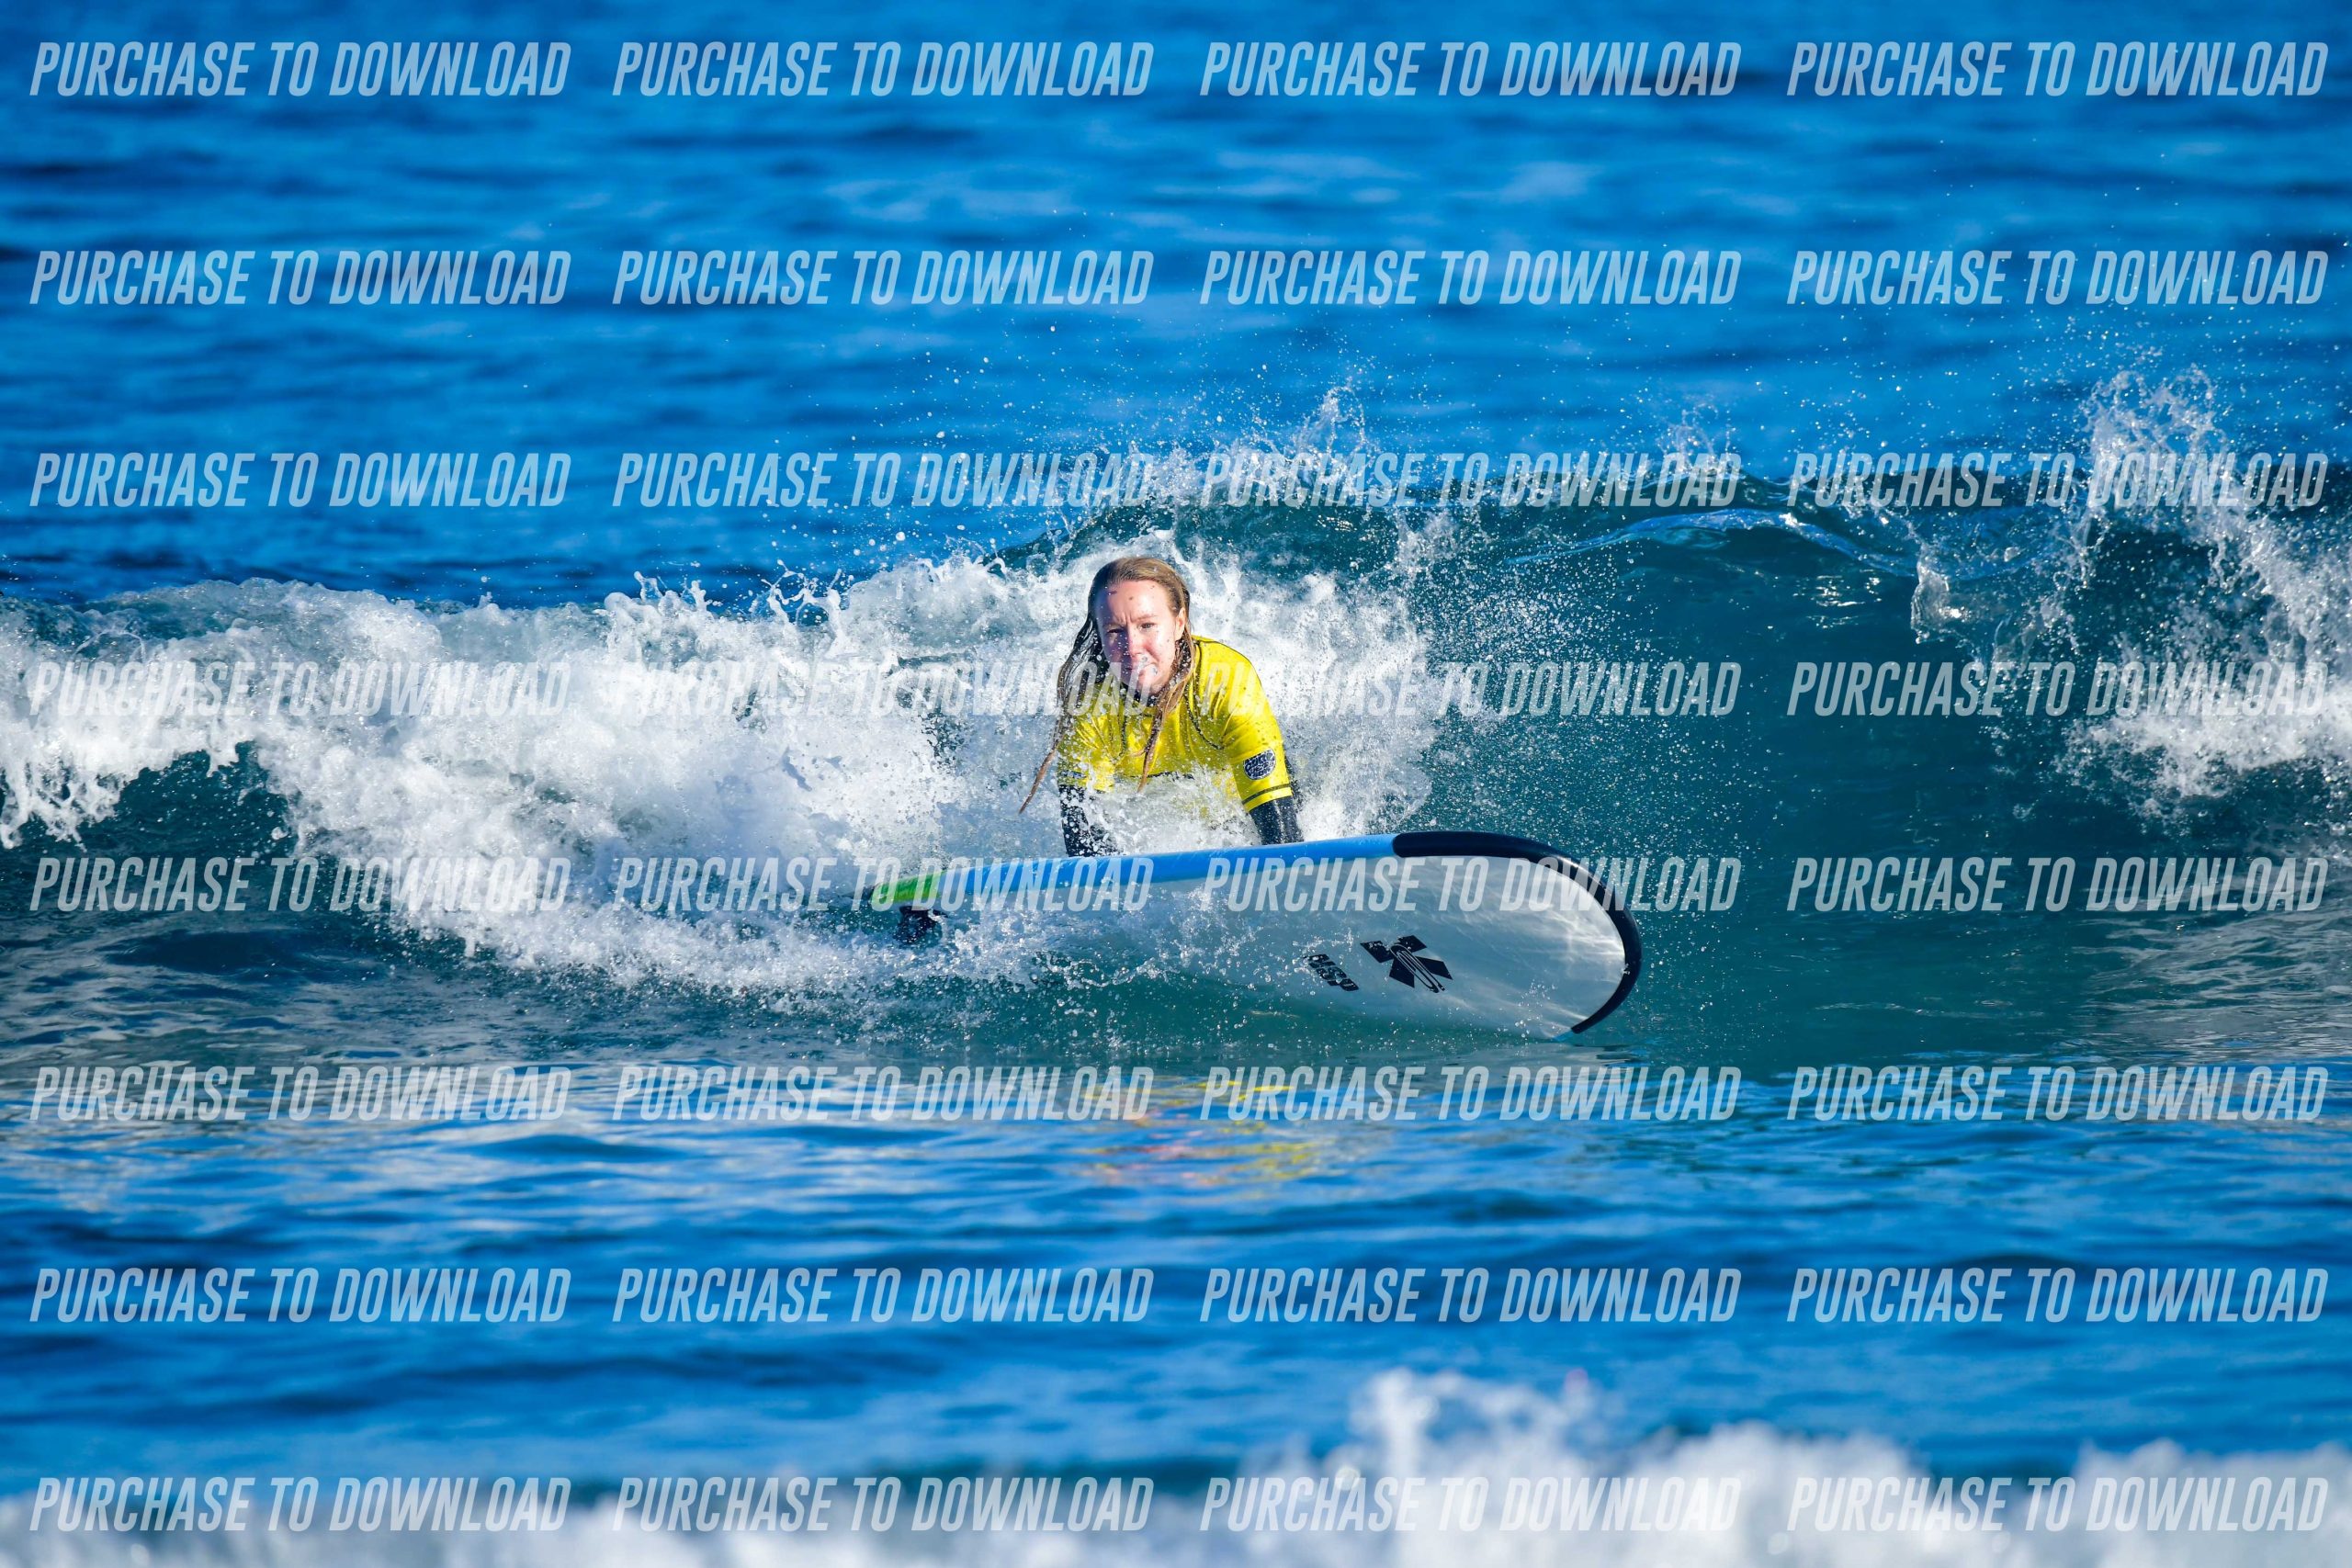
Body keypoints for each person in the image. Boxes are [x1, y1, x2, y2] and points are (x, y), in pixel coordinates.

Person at [1022, 555, 1303, 856]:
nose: (1132, 648)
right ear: (1100, 635)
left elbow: (1283, 842)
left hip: (1245, 810)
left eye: (1147, 625)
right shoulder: (1090, 704)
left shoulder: (1226, 680)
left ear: (1179, 624)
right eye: (1115, 631)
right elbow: (1084, 843)